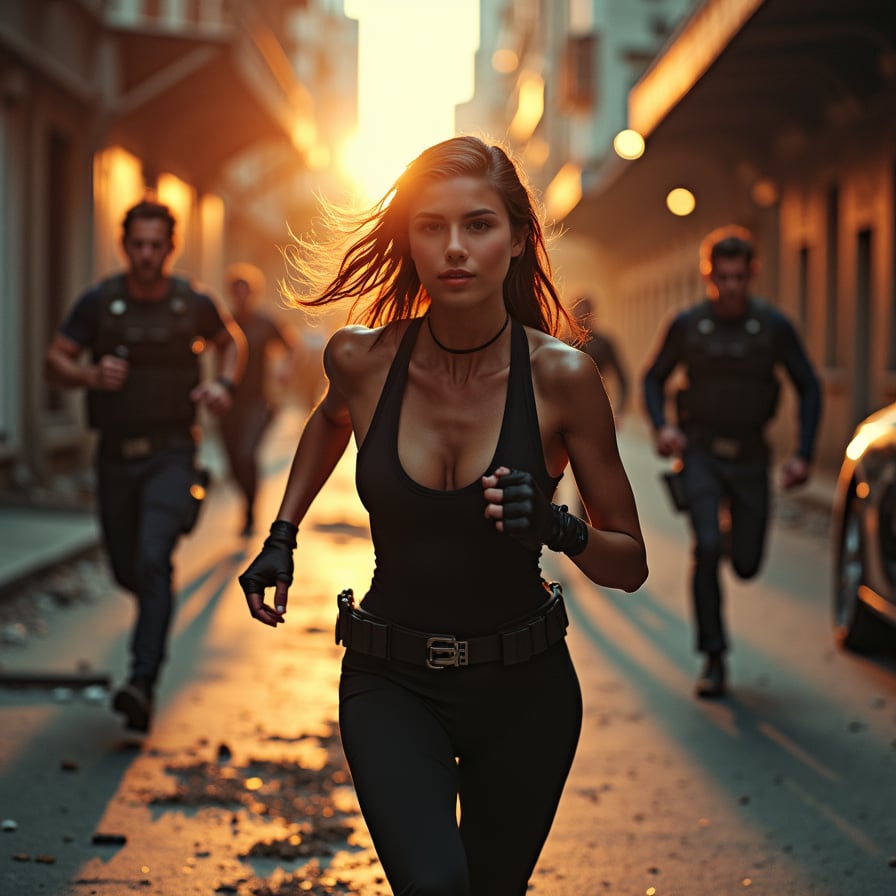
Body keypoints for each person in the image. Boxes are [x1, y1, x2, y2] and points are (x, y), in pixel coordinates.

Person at [238, 135, 648, 895]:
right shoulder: (361, 360)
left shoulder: (563, 378)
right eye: (432, 227)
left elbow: (631, 562)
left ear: (520, 237)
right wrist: (281, 536)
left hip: (526, 690)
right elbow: (330, 422)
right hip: (389, 680)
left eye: (479, 225)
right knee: (433, 888)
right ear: (409, 239)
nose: (454, 248)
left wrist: (557, 527)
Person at [44, 199, 246, 733]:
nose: (147, 255)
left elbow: (232, 344)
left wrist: (222, 385)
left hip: (173, 450)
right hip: (115, 456)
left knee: (154, 560)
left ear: (170, 248)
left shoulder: (192, 303)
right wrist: (89, 375)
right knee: (127, 569)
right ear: (124, 244)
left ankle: (141, 683)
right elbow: (56, 359)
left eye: (157, 245)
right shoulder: (99, 302)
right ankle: (155, 599)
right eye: (138, 244)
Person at [642, 225, 822, 699]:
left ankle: (726, 535)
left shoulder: (773, 327)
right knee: (703, 549)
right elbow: (652, 378)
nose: (730, 287)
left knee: (745, 564)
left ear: (752, 276)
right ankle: (714, 657)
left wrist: (804, 454)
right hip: (700, 452)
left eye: (739, 277)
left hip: (750, 457)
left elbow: (809, 385)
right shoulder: (687, 324)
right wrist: (663, 427)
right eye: (721, 277)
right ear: (708, 276)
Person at [219, 262, 301, 535]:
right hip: (228, 402)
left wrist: (286, 369)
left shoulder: (265, 323)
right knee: (232, 462)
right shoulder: (224, 323)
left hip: (258, 401)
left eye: (247, 291)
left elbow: (292, 346)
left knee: (246, 454)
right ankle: (247, 500)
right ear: (232, 293)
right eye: (237, 290)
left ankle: (250, 513)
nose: (242, 296)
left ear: (254, 293)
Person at [575, 294, 629, 420]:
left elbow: (623, 379)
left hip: (597, 403)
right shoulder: (562, 341)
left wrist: (619, 410)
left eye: (584, 312)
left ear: (591, 314)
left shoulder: (604, 342)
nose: (581, 316)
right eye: (578, 311)